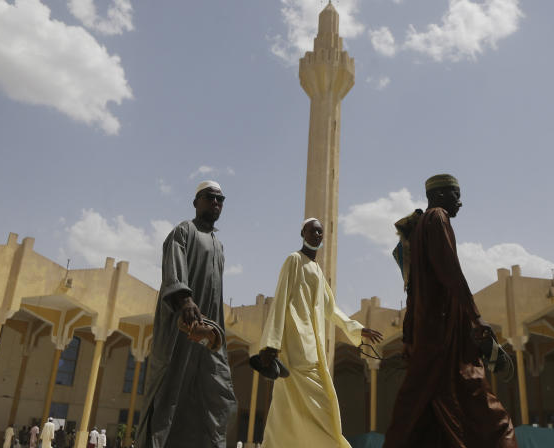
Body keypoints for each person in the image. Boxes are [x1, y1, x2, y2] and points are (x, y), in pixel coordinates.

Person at [385, 175, 518, 448]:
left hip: (428, 339)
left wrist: (410, 337)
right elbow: (450, 271)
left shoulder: (419, 228)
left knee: (419, 414)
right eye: (456, 195)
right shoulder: (437, 218)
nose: (460, 202)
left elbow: (412, 292)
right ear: (441, 195)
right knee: (488, 415)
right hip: (444, 339)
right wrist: (475, 316)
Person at [256, 218, 383, 447]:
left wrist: (356, 327)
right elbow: (280, 299)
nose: (317, 235)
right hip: (295, 350)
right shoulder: (294, 260)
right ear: (302, 233)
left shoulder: (316, 269)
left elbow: (330, 308)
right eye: (312, 231)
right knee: (301, 405)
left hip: (312, 349)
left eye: (320, 232)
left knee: (286, 408)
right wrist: (271, 344)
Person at [135, 181, 237, 448]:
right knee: (170, 392)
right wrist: (186, 300)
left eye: (220, 199)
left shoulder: (219, 245)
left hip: (207, 333)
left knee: (210, 394)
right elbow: (173, 272)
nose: (216, 202)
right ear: (196, 202)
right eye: (210, 197)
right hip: (180, 329)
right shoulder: (184, 231)